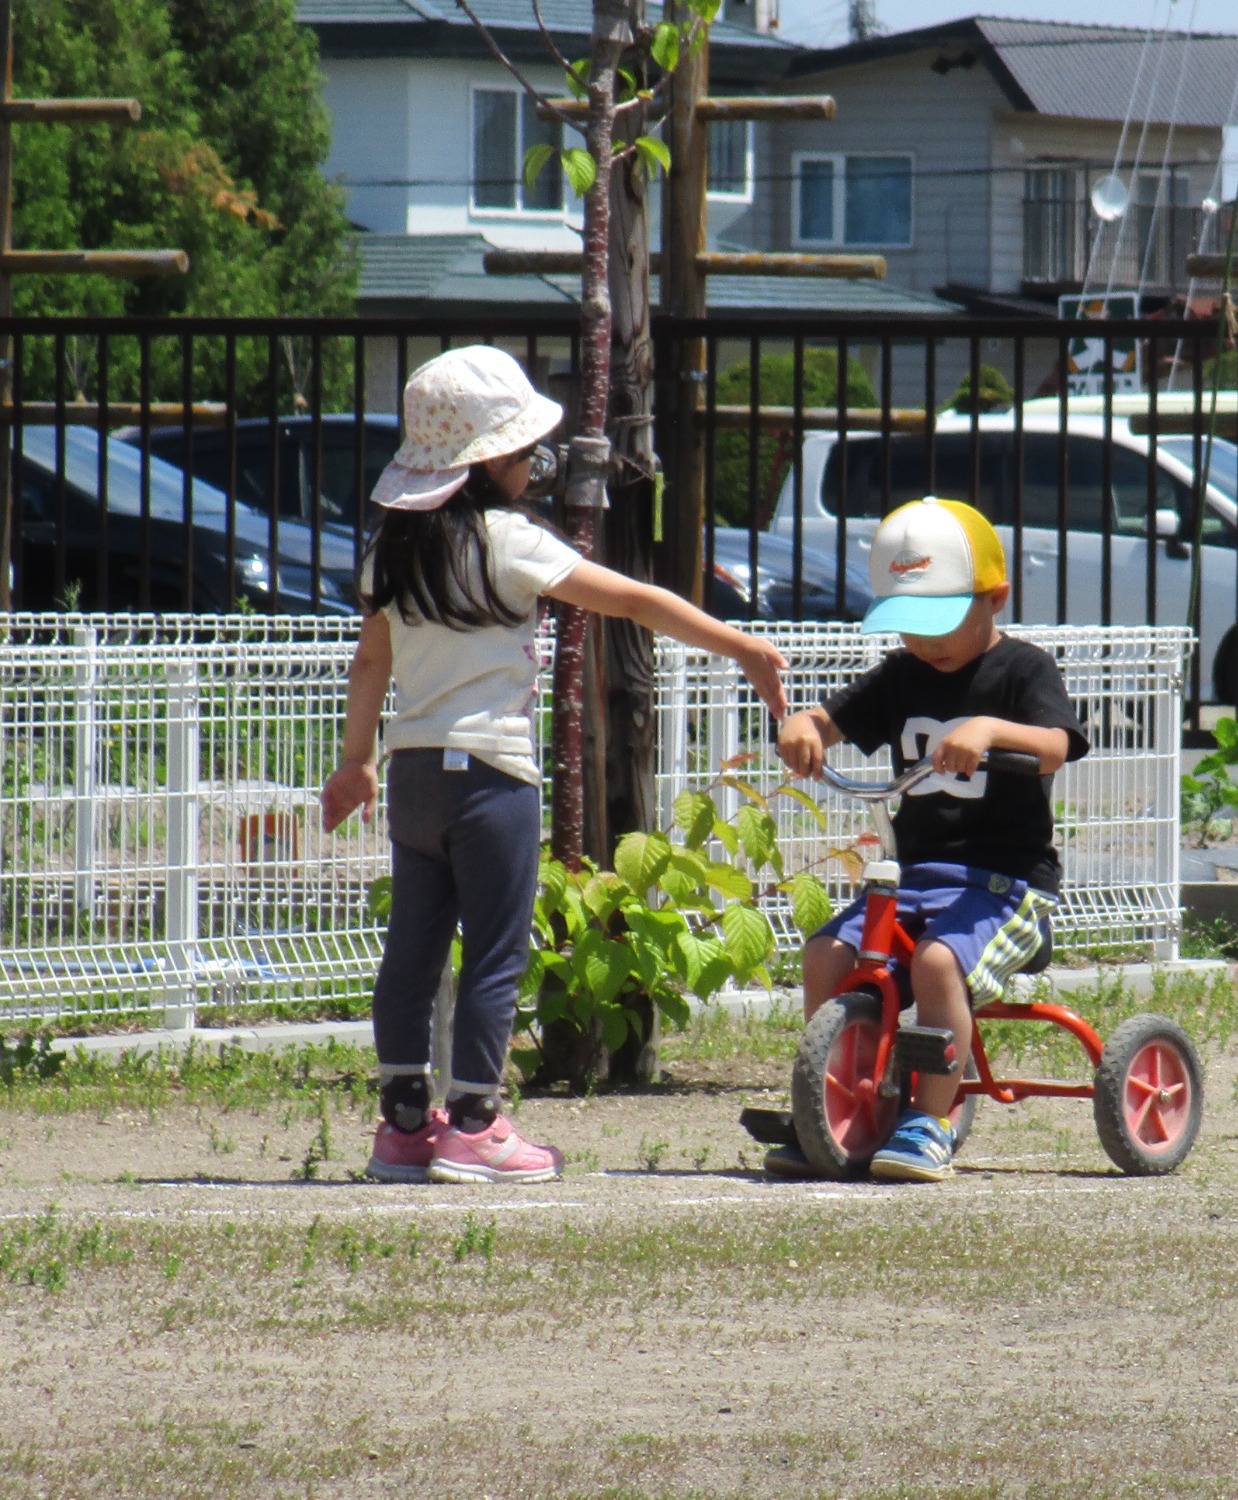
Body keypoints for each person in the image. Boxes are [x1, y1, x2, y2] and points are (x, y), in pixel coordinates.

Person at [320, 346, 788, 1185]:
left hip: (413, 776)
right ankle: (474, 1124)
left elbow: (369, 665)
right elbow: (632, 600)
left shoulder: (389, 551)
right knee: (496, 950)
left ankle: (401, 1126)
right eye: (522, 451)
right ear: (486, 460)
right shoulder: (510, 542)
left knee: (413, 950)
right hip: (493, 777)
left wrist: (354, 762)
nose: (533, 464)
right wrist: (741, 644)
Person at [775, 497, 1089, 1182]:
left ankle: (931, 1120)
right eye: (908, 625)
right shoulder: (902, 674)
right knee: (828, 953)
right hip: (917, 879)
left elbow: (1056, 745)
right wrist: (804, 725)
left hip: (1007, 887)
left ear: (995, 598)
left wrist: (989, 730)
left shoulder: (1022, 670)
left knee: (938, 966)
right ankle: (833, 1100)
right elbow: (832, 719)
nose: (924, 643)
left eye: (939, 623)